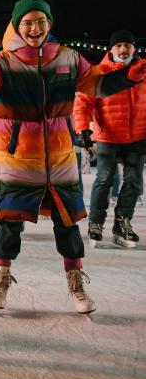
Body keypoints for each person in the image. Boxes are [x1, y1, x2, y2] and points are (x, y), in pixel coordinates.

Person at [0, 0, 145, 313]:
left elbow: (97, 84)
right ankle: (1, 278)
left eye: (41, 21)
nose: (35, 28)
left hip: (60, 159)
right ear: (17, 26)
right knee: (10, 224)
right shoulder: (2, 63)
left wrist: (128, 76)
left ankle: (76, 283)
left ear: (49, 23)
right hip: (18, 160)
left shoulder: (68, 58)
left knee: (68, 224)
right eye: (28, 22)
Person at [73, 30, 144, 248]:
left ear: (134, 48)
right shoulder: (99, 72)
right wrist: (83, 129)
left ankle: (122, 224)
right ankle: (96, 223)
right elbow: (83, 102)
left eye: (128, 45)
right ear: (111, 49)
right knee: (104, 179)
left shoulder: (142, 72)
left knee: (134, 181)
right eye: (119, 45)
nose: (123, 49)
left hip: (138, 136)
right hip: (108, 136)